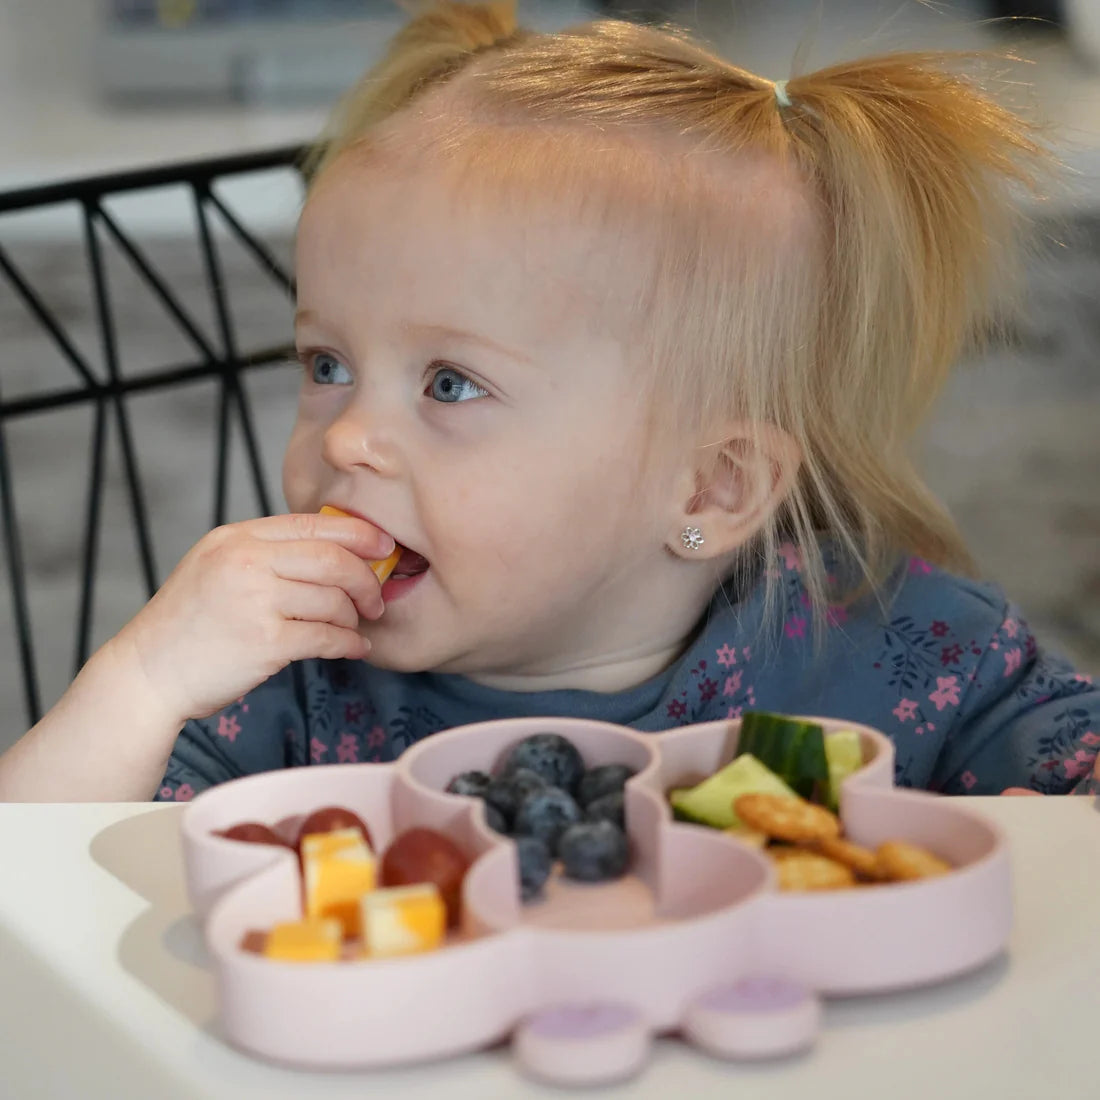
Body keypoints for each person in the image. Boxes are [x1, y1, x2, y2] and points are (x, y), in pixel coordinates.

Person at [1, 0, 1096, 803]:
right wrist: (142, 682)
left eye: (449, 383)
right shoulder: (287, 686)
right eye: (326, 361)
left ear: (711, 485)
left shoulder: (894, 649)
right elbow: (36, 908)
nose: (344, 434)